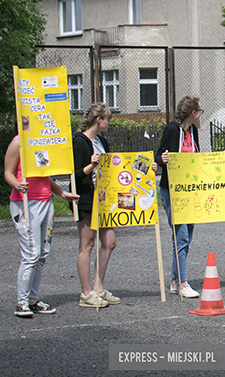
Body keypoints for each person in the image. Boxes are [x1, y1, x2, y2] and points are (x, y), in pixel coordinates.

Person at [156, 95, 225, 298]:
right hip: (172, 189)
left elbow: (199, 159)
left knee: (185, 236)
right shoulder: (173, 130)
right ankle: (182, 283)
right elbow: (159, 155)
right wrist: (163, 158)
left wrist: (222, 158)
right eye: (200, 111)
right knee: (180, 235)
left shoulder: (193, 132)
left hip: (190, 190)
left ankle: (175, 280)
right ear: (193, 113)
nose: (201, 114)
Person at [73, 103, 140, 308]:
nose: (109, 123)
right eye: (107, 119)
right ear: (98, 120)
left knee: (109, 241)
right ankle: (86, 292)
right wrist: (90, 166)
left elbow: (112, 168)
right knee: (88, 243)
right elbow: (73, 175)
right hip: (86, 197)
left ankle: (98, 287)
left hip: (104, 199)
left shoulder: (102, 141)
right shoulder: (79, 141)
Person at [6, 131, 80, 317]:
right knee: (31, 253)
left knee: (42, 253)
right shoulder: (18, 142)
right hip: (24, 203)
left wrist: (62, 193)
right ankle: (21, 303)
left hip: (45, 202)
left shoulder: (42, 143)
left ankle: (33, 299)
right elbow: (8, 172)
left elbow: (44, 175)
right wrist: (17, 184)